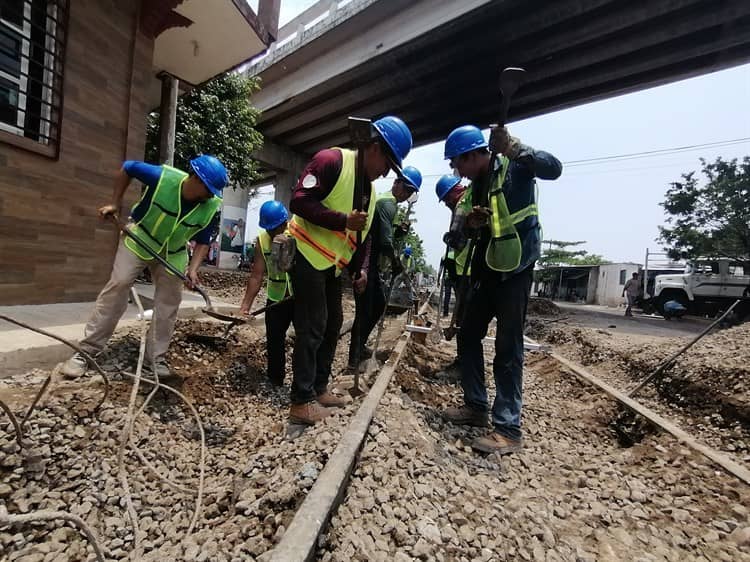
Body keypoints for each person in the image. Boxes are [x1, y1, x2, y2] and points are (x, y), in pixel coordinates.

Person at [442, 124, 562, 455]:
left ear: (473, 155)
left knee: (508, 348)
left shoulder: (516, 165)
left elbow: (554, 168)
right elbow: (455, 239)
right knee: (468, 335)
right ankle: (477, 407)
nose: (457, 171)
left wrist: (514, 148)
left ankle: (508, 429)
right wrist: (469, 224)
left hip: (518, 270)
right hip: (488, 272)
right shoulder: (472, 190)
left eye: (458, 163)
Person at [287, 115, 413, 425]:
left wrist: (360, 269)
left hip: (330, 264)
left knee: (334, 323)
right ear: (373, 148)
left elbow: (362, 235)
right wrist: (341, 219)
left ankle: (319, 388)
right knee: (313, 324)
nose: (386, 172)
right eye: (387, 163)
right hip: (304, 253)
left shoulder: (368, 191)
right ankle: (300, 401)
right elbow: (299, 201)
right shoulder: (330, 161)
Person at [60, 155, 228, 381]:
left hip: (174, 252)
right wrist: (115, 203)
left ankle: (155, 360)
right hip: (140, 238)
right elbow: (128, 168)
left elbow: (204, 241)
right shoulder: (162, 177)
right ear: (195, 178)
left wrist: (193, 269)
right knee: (118, 285)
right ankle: (87, 352)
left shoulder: (210, 206)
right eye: (208, 189)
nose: (210, 195)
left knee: (168, 304)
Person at [348, 166, 421, 368]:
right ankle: (354, 358)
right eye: (404, 188)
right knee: (365, 309)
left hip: (370, 259)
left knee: (378, 304)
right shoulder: (387, 204)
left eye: (409, 192)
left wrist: (399, 231)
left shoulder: (389, 205)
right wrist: (397, 265)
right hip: (365, 260)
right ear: (396, 183)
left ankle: (359, 346)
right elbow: (386, 243)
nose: (405, 194)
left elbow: (386, 236)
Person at [239, 201, 294, 386]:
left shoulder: (296, 236)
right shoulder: (262, 240)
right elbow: (256, 276)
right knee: (274, 338)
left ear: (284, 224)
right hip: (276, 297)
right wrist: (245, 306)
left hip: (299, 297)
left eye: (275, 229)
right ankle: (275, 379)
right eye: (268, 229)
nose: (271, 233)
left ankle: (303, 384)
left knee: (305, 339)